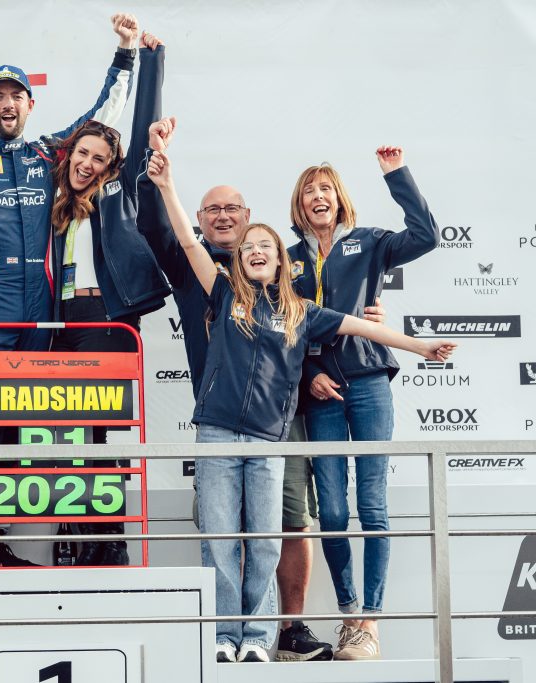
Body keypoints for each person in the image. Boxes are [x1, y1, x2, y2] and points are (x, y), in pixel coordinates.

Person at [146, 131, 455, 663]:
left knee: (267, 539)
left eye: (267, 247)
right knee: (220, 538)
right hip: (218, 430)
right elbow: (190, 240)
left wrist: (419, 343)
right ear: (238, 261)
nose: (259, 253)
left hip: (269, 438)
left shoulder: (302, 312)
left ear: (281, 263)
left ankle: (262, 638)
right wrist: (169, 184)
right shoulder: (221, 293)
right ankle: (223, 636)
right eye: (250, 249)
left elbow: (365, 326)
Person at [0, 14, 142, 568]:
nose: (8, 103)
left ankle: (78, 536)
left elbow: (100, 122)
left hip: (49, 317)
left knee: (63, 424)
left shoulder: (48, 156)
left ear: (30, 105)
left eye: (18, 95)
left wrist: (125, 54)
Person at [287, 148, 440, 659]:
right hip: (321, 392)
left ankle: (369, 623)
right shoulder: (287, 259)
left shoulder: (370, 242)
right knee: (331, 511)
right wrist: (309, 375)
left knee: (371, 506)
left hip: (371, 380)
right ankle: (349, 613)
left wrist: (395, 173)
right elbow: (285, 331)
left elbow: (426, 236)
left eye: (325, 188)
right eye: (309, 190)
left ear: (338, 198)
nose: (317, 196)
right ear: (299, 204)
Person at [47, 33, 169, 566]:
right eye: (82, 152)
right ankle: (73, 533)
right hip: (64, 322)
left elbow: (140, 131)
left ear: (109, 164)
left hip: (109, 318)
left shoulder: (121, 193)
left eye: (99, 156)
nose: (88, 162)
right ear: (69, 153)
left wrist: (149, 59)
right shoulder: (53, 206)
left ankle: (109, 538)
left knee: (103, 431)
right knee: (74, 433)